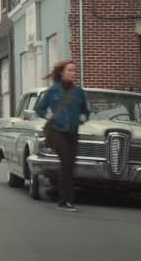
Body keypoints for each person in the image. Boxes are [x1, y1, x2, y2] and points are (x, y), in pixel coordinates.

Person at [33, 60, 90, 212]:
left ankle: (66, 199)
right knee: (65, 160)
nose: (73, 73)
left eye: (74, 71)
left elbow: (86, 111)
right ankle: (64, 201)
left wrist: (83, 117)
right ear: (62, 72)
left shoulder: (79, 92)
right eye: (70, 70)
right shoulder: (53, 91)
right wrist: (49, 115)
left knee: (70, 165)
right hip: (56, 131)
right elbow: (39, 109)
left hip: (72, 132)